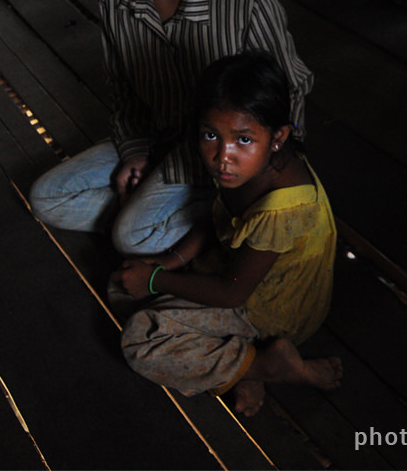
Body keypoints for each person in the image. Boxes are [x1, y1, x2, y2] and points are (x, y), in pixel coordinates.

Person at [28, 0, 313, 256]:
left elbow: (291, 89)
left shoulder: (247, 1)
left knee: (128, 237)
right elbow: (122, 91)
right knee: (46, 198)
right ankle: (156, 215)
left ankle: (218, 215)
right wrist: (134, 152)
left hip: (225, 157)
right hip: (158, 140)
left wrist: (261, 175)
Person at [110, 52, 341, 416]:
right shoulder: (250, 167)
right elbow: (219, 219)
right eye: (210, 135)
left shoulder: (281, 209)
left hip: (270, 313)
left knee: (141, 340)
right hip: (237, 274)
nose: (222, 156)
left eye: (243, 139)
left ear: (278, 137)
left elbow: (232, 292)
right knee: (120, 286)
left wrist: (157, 279)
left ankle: (264, 364)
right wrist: (171, 261)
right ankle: (245, 362)